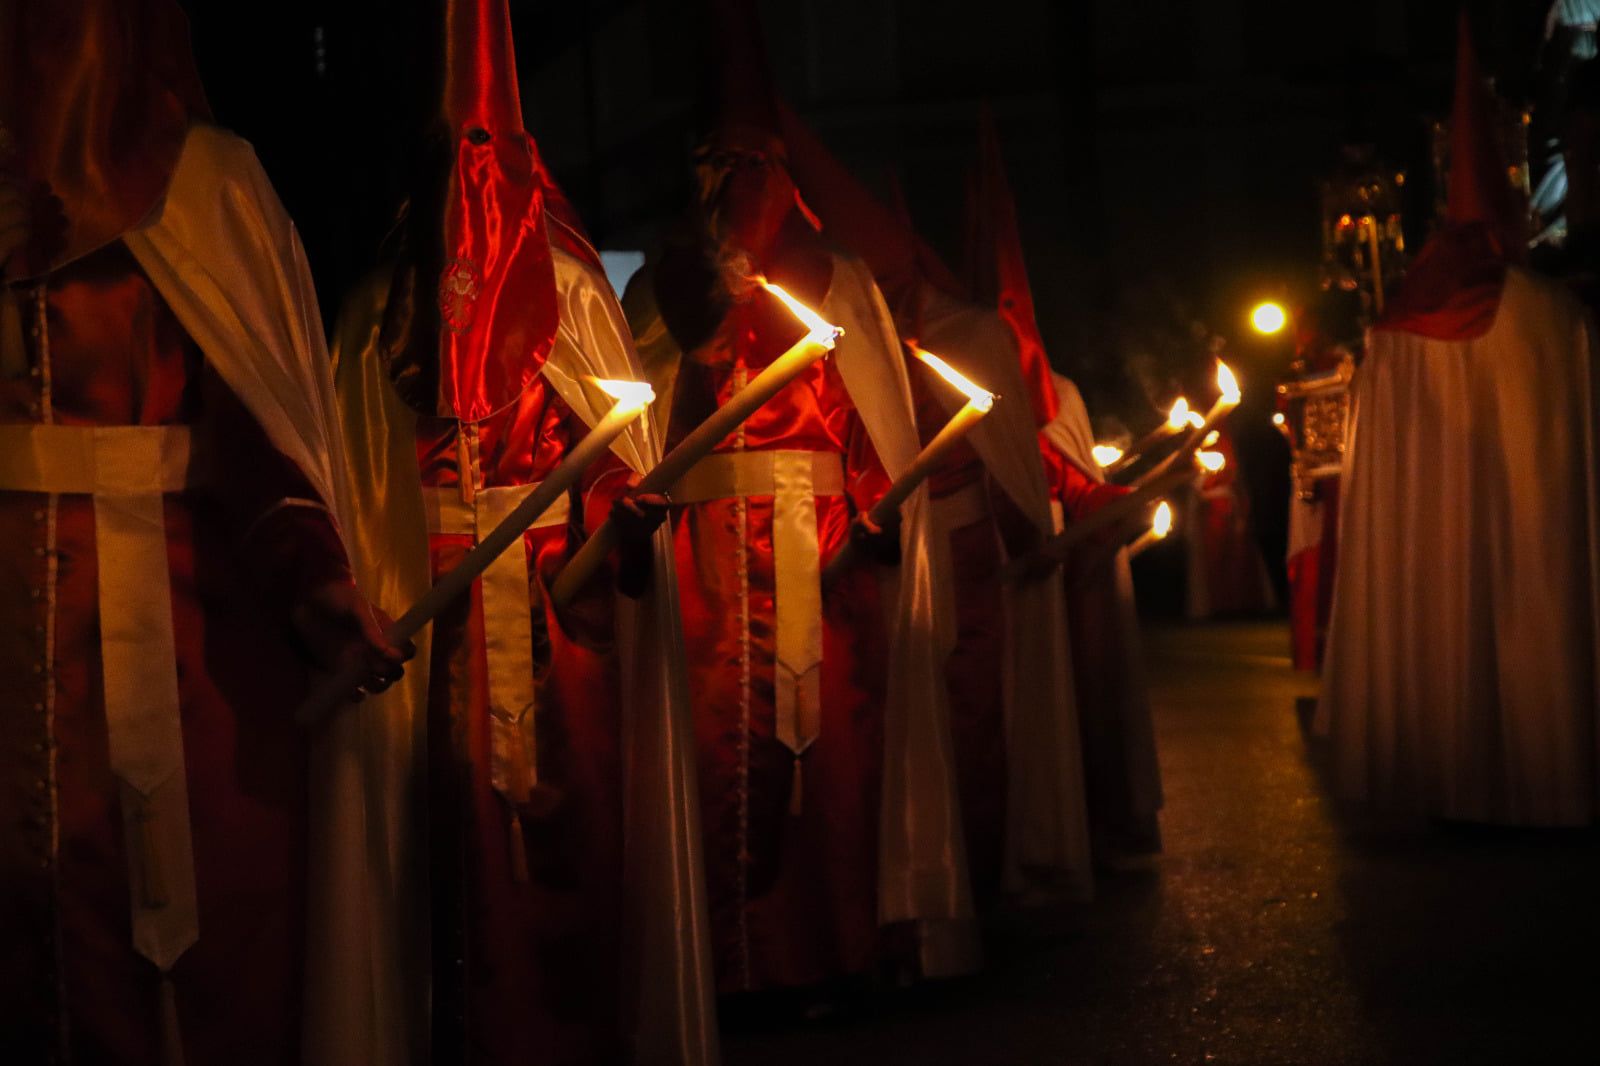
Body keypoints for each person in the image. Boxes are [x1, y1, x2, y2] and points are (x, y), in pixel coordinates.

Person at [308, 2, 718, 1063]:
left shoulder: (573, 293)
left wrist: (616, 532)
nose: (470, 190)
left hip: (551, 637)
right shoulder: (375, 313)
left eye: (486, 159)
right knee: (419, 858)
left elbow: (612, 484)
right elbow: (353, 484)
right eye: (454, 159)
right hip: (420, 615)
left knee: (560, 848)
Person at [0, 3, 406, 1063]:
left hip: (181, 645)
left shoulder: (206, 188)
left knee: (187, 936)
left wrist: (312, 573)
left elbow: (257, 429)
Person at [625, 0, 972, 998]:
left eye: (752, 167)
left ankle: (832, 952)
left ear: (783, 176)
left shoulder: (835, 278)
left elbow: (869, 419)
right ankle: (721, 966)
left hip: (822, 555)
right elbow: (647, 427)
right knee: (707, 757)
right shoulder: (664, 283)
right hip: (704, 562)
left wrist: (876, 511)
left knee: (828, 758)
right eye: (714, 167)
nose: (733, 188)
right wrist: (703, 335)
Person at [1316, 15, 1600, 826]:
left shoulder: (1397, 330)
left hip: (1440, 536)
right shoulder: (1553, 319)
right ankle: (1546, 773)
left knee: (1449, 590)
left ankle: (1440, 762)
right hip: (1537, 531)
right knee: (1534, 597)